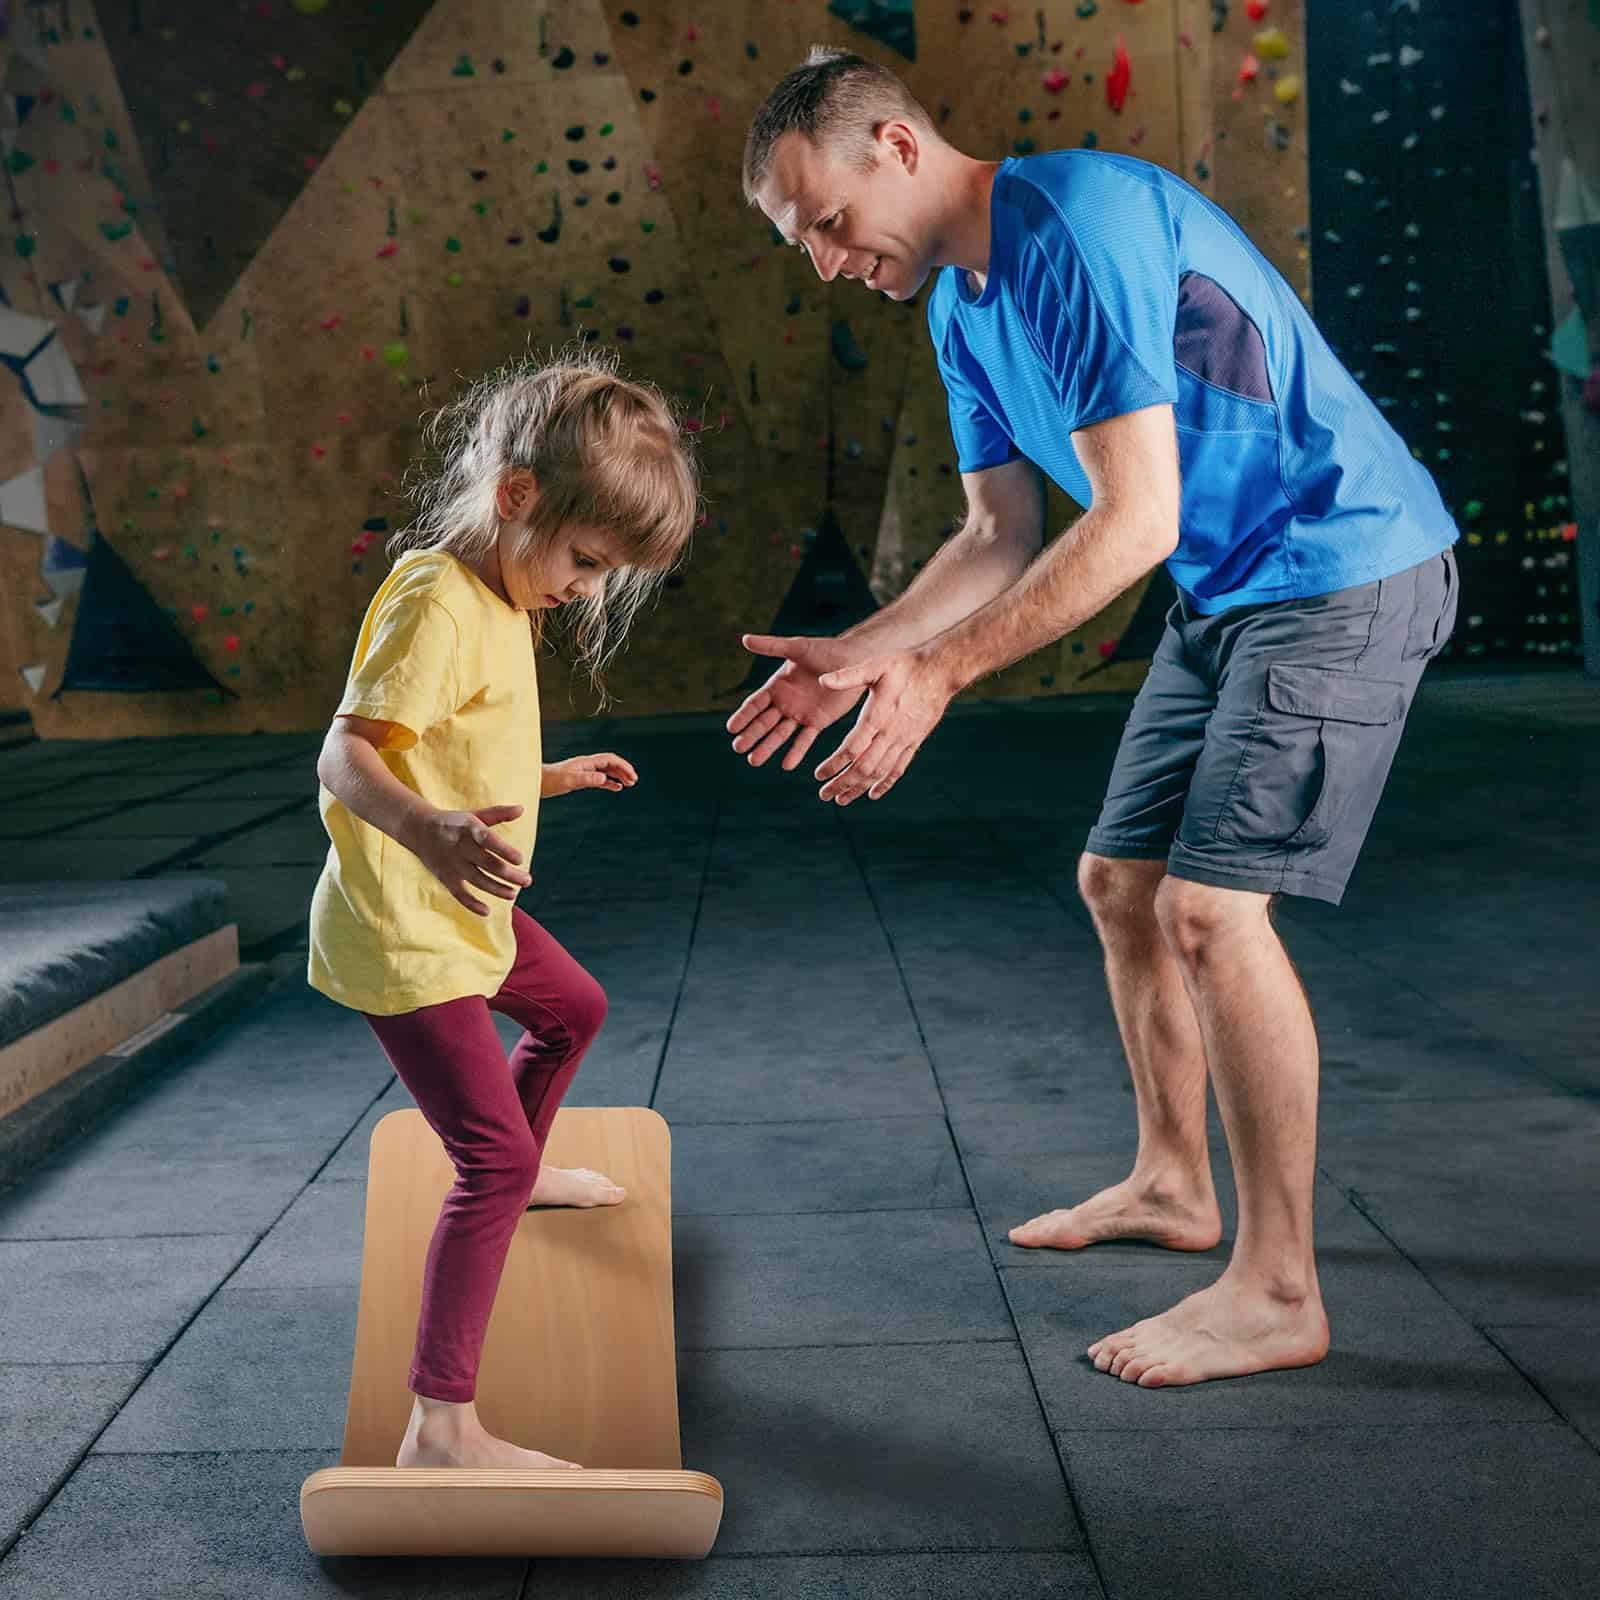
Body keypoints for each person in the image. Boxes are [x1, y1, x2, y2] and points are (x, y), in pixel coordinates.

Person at [729, 48, 1458, 1388]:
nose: (824, 263)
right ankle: (1176, 1186)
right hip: (1230, 584)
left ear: (897, 145)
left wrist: (938, 677)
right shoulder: (958, 306)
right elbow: (995, 535)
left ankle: (1279, 1287)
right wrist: (858, 655)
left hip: (1343, 565)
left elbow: (1135, 521)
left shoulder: (1078, 225)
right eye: (801, 246)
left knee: (1210, 912)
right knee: (1121, 882)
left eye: (826, 225)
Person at [308, 349, 698, 1465]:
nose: (586, 587)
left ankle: (517, 1173)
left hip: (460, 910)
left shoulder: (502, 595)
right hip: (407, 929)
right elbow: (347, 755)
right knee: (487, 1161)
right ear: (516, 497)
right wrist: (431, 831)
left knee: (574, 1008)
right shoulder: (437, 597)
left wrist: (546, 778)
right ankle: (440, 1424)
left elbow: (449, 744)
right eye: (584, 559)